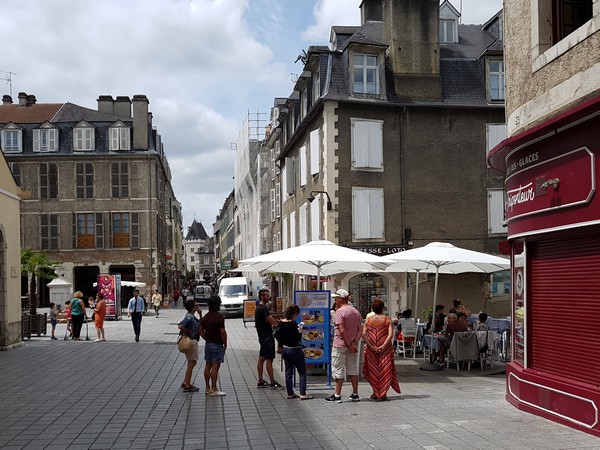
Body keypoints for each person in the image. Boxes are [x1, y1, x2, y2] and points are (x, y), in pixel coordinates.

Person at [326, 288, 362, 403]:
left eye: (336, 298)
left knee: (338, 369)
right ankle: (355, 393)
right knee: (353, 369)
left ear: (340, 299)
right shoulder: (355, 312)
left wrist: (348, 343)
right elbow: (360, 329)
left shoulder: (340, 312)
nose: (335, 300)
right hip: (352, 345)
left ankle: (337, 395)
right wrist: (354, 343)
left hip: (341, 344)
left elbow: (341, 330)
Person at [362, 299, 401, 401]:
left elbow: (363, 334)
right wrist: (383, 346)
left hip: (371, 349)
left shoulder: (368, 320)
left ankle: (376, 392)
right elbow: (390, 335)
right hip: (385, 350)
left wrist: (370, 345)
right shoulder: (387, 319)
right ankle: (382, 393)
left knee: (372, 370)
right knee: (385, 370)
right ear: (382, 308)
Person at [276, 305, 313, 400]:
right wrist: (300, 331)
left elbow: (276, 334)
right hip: (295, 349)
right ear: (295, 314)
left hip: (285, 349)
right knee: (302, 371)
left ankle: (290, 393)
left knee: (288, 372)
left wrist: (282, 343)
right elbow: (297, 338)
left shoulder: (281, 323)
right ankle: (303, 394)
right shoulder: (293, 324)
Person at [255, 288, 284, 389]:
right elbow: (272, 321)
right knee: (269, 359)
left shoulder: (259, 308)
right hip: (267, 337)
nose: (269, 297)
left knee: (261, 358)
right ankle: (273, 382)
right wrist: (281, 322)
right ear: (262, 297)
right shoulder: (263, 309)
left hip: (262, 337)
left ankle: (260, 380)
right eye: (267, 296)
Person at [200, 295, 227, 396]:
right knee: (215, 366)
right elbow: (222, 332)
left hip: (208, 344)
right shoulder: (219, 317)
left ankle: (207, 387)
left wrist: (206, 338)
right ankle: (214, 388)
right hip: (217, 344)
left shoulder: (206, 317)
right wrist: (225, 343)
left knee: (208, 365)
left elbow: (200, 330)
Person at [178, 299, 203, 392]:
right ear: (192, 307)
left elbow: (201, 324)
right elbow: (180, 325)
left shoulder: (192, 316)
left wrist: (200, 314)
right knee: (193, 362)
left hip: (193, 340)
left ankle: (186, 382)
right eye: (196, 305)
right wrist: (187, 331)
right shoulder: (189, 317)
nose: (198, 306)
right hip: (191, 341)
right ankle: (187, 384)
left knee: (190, 362)